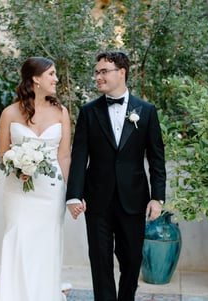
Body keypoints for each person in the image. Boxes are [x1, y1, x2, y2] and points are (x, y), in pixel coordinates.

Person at [66, 51, 166, 301]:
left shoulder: (146, 111)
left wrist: (158, 198)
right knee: (100, 262)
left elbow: (156, 158)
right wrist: (74, 195)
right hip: (97, 199)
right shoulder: (88, 112)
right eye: (97, 72)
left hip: (133, 199)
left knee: (132, 259)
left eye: (104, 71)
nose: (98, 77)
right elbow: (79, 156)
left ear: (122, 72)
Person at [0, 57, 71, 301]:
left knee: (46, 246)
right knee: (17, 238)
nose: (56, 79)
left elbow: (64, 157)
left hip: (50, 192)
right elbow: (2, 154)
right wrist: (17, 168)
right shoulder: (9, 113)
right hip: (19, 192)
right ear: (35, 79)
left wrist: (71, 195)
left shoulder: (62, 113)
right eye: (51, 74)